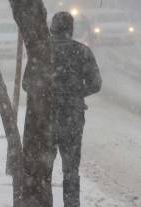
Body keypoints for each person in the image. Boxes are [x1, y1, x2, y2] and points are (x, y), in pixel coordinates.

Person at [50, 12, 102, 207]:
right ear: (71, 29)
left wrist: (50, 94)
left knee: (43, 168)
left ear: (52, 28)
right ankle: (71, 203)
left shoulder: (42, 51)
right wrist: (75, 94)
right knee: (71, 168)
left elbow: (27, 84)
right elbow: (95, 83)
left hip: (46, 117)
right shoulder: (82, 51)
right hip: (72, 116)